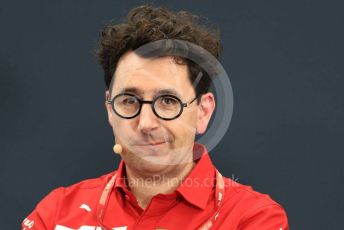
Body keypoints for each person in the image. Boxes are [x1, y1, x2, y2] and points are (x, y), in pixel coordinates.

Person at [21, 5, 289, 230]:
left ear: (203, 112)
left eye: (168, 101)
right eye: (129, 101)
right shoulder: (56, 213)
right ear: (109, 110)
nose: (146, 123)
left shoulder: (253, 218)